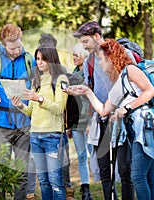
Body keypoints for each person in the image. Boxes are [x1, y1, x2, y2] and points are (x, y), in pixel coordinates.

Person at [66, 38, 154, 200]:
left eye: (102, 59)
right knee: (148, 178)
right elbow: (103, 110)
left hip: (144, 128)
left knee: (137, 176)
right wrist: (86, 91)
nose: (100, 64)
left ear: (112, 57)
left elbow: (149, 91)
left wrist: (127, 108)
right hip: (132, 130)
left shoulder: (131, 70)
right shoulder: (119, 81)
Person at [73, 21, 135, 200]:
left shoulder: (120, 53)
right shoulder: (88, 62)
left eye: (85, 42)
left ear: (97, 36)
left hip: (123, 117)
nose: (83, 46)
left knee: (124, 169)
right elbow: (90, 87)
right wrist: (80, 92)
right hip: (101, 118)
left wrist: (125, 108)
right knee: (104, 168)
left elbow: (132, 82)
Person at [0, 24, 35, 200]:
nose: (17, 50)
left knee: (22, 171)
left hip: (24, 124)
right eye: (13, 48)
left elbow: (39, 85)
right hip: (1, 124)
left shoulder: (29, 60)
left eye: (19, 46)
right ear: (3, 45)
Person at [11, 43, 68, 199]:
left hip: (53, 136)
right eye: (37, 59)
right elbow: (32, 111)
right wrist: (20, 105)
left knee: (55, 182)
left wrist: (40, 98)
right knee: (43, 181)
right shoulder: (37, 80)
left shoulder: (61, 79)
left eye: (43, 59)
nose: (39, 62)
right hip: (35, 136)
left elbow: (59, 109)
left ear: (52, 59)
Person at [66, 42, 93, 199]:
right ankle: (86, 189)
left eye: (76, 55)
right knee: (81, 156)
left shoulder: (91, 74)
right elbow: (70, 102)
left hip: (88, 122)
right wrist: (69, 124)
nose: (74, 57)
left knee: (93, 155)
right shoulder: (73, 75)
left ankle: (106, 186)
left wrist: (91, 122)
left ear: (84, 55)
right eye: (73, 55)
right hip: (76, 123)